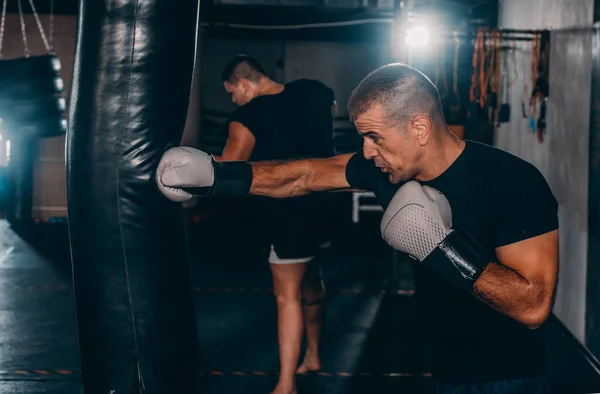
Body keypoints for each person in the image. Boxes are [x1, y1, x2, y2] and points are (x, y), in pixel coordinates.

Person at [156, 63, 559, 394]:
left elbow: (533, 307)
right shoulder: (386, 169)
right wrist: (217, 176)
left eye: (374, 137)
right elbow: (305, 174)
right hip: (442, 367)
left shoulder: (512, 182)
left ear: (419, 128)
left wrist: (442, 246)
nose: (367, 150)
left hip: (509, 377)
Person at [214, 55, 338, 394]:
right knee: (312, 280)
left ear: (242, 83)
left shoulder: (246, 117)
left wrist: (209, 164)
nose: (233, 99)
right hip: (328, 205)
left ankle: (286, 385)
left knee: (287, 296)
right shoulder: (316, 91)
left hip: (289, 215)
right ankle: (312, 356)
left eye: (231, 92)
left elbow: (229, 172)